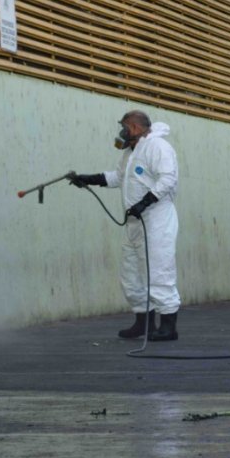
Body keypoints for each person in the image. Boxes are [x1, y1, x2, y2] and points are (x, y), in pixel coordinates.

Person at [68, 110, 181, 341]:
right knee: (132, 275)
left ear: (137, 128)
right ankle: (143, 322)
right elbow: (118, 177)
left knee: (159, 272)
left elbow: (168, 178)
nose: (122, 132)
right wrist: (89, 179)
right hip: (134, 222)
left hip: (156, 220)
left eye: (125, 127)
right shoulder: (131, 152)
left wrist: (145, 202)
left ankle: (169, 327)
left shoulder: (158, 147)